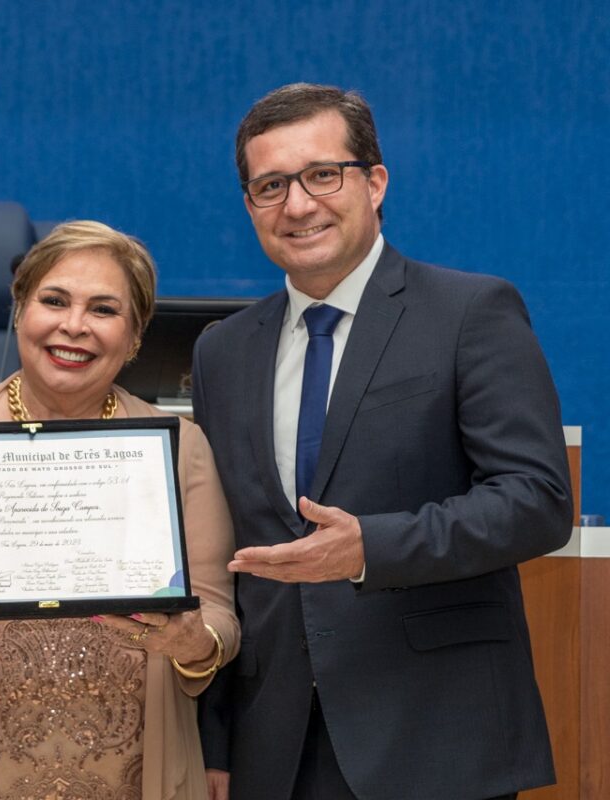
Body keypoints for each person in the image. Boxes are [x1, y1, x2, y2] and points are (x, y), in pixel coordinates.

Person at [192, 82, 573, 800]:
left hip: (435, 735)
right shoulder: (224, 351)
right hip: (273, 748)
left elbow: (537, 500)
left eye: (321, 175)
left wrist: (372, 546)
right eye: (270, 185)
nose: (297, 204)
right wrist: (214, 740)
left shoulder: (471, 312)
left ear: (374, 182)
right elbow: (220, 560)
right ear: (249, 206)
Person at [0, 221, 240, 799]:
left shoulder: (180, 450)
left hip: (133, 772)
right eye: (54, 300)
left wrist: (193, 643)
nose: (73, 325)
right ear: (20, 310)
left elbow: (220, 622)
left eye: (103, 309)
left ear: (134, 337)